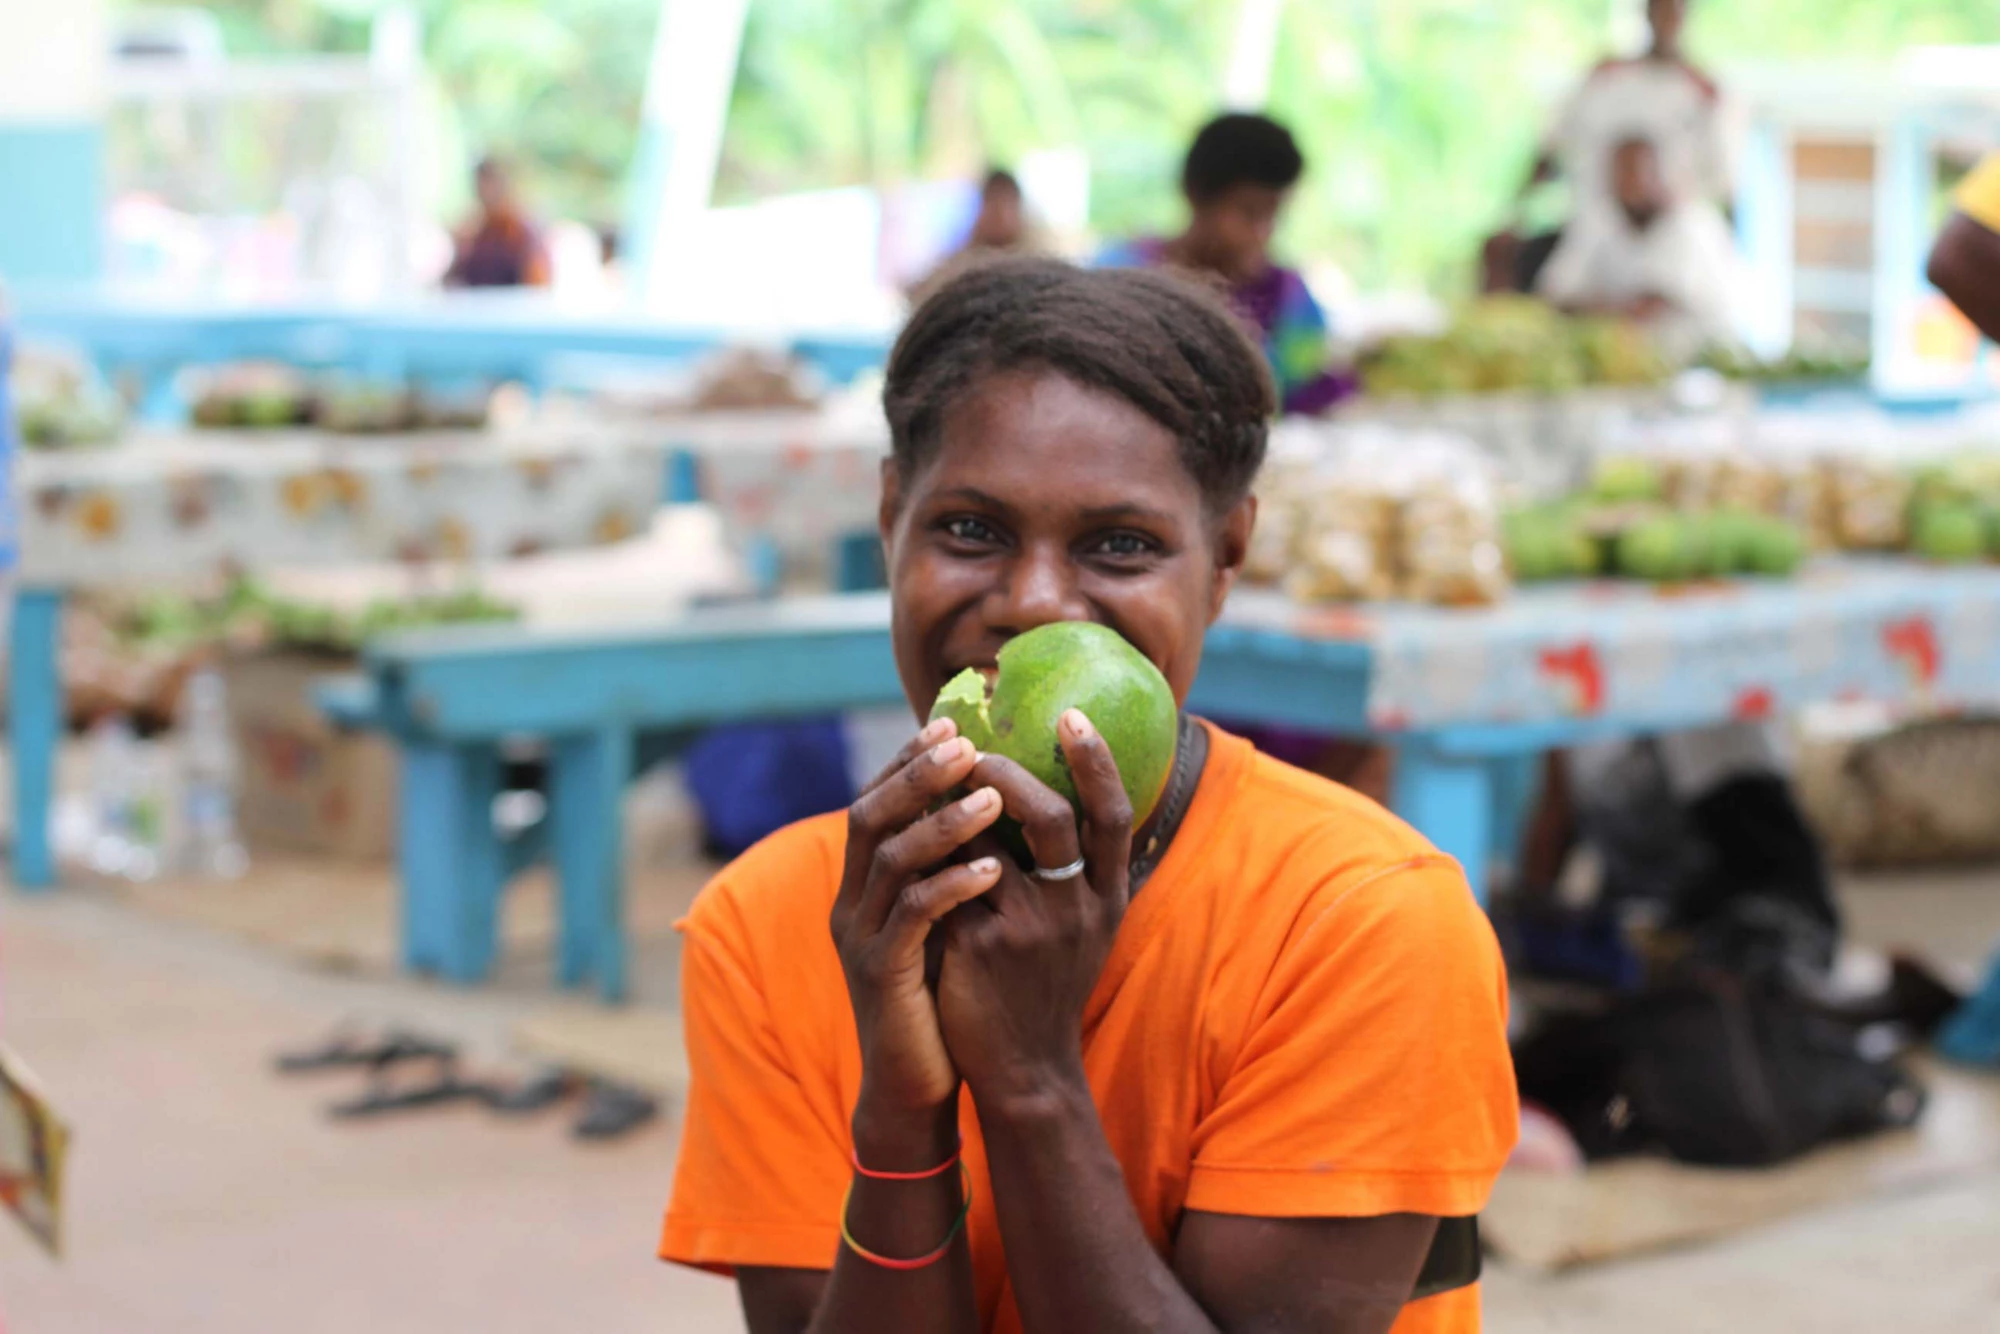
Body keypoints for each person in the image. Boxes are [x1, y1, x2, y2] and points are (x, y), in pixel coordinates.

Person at [660, 259, 1517, 1334]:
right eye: (969, 528)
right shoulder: (766, 923)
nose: (1033, 604)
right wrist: (901, 1110)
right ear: (889, 519)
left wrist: (1026, 1080)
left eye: (1119, 545)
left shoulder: (1359, 921)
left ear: (1225, 557)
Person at [1100, 113, 1353, 415]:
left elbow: (1295, 393)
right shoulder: (1116, 280)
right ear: (1194, 194)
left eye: (1274, 214)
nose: (1262, 232)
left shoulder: (1292, 302)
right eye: (1248, 212)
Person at [1494, 0, 1729, 294]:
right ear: (1647, 13)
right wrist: (1515, 214)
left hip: (1665, 238)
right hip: (1593, 228)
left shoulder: (1704, 93)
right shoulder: (1607, 78)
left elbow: (1721, 182)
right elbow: (1553, 148)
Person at [1537, 135, 1738, 360]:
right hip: (1630, 372)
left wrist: (1590, 309)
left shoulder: (1693, 225)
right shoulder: (1601, 222)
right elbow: (1554, 296)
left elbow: (1646, 311)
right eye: (1620, 173)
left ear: (1660, 174)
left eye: (1636, 171)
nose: (1628, 182)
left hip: (1703, 368)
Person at [910, 169, 1040, 303]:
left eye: (1006, 204)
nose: (999, 215)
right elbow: (922, 291)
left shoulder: (1037, 259)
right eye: (993, 204)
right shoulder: (963, 260)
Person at [444, 157, 550, 289]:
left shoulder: (521, 232)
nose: (486, 192)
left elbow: (538, 286)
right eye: (481, 185)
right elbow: (451, 281)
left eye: (490, 183)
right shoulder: (473, 234)